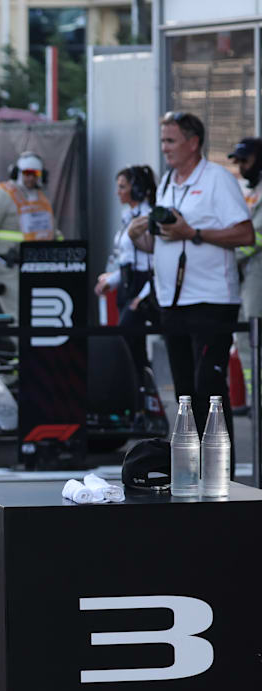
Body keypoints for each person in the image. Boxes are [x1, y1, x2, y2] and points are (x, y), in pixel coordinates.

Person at [128, 112, 255, 445]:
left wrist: (193, 232)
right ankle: (192, 473)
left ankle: (221, 478)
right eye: (163, 141)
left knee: (208, 388)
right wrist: (135, 235)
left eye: (170, 141)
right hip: (172, 300)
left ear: (193, 142)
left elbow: (245, 235)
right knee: (184, 392)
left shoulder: (217, 179)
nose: (164, 149)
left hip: (212, 300)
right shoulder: (169, 181)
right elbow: (161, 243)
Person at [0, 151, 58, 317]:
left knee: (39, 314)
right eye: (26, 173)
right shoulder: (1, 196)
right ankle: (21, 344)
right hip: (7, 267)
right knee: (20, 315)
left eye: (34, 174)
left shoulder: (41, 199)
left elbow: (51, 231)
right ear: (17, 173)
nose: (30, 178)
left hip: (36, 267)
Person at [95, 165, 156, 379]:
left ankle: (135, 395)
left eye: (122, 187)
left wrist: (143, 296)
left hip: (142, 288)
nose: (117, 192)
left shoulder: (148, 217)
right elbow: (125, 258)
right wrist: (111, 280)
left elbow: (154, 262)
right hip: (127, 287)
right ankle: (140, 401)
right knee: (136, 350)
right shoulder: (127, 217)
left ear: (137, 190)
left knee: (124, 341)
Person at [228, 138, 262, 321]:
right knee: (243, 331)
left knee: (253, 329)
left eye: (245, 161)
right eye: (238, 162)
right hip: (246, 273)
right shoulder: (251, 191)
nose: (241, 167)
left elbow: (256, 236)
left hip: (257, 273)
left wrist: (228, 258)